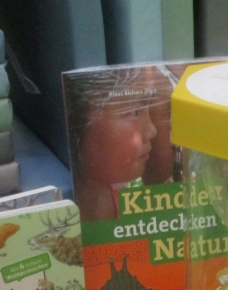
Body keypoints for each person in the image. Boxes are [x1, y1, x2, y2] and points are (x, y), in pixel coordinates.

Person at [65, 67, 163, 221]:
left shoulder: (121, 192)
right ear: (77, 121)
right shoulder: (52, 213)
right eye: (134, 112)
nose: (152, 131)